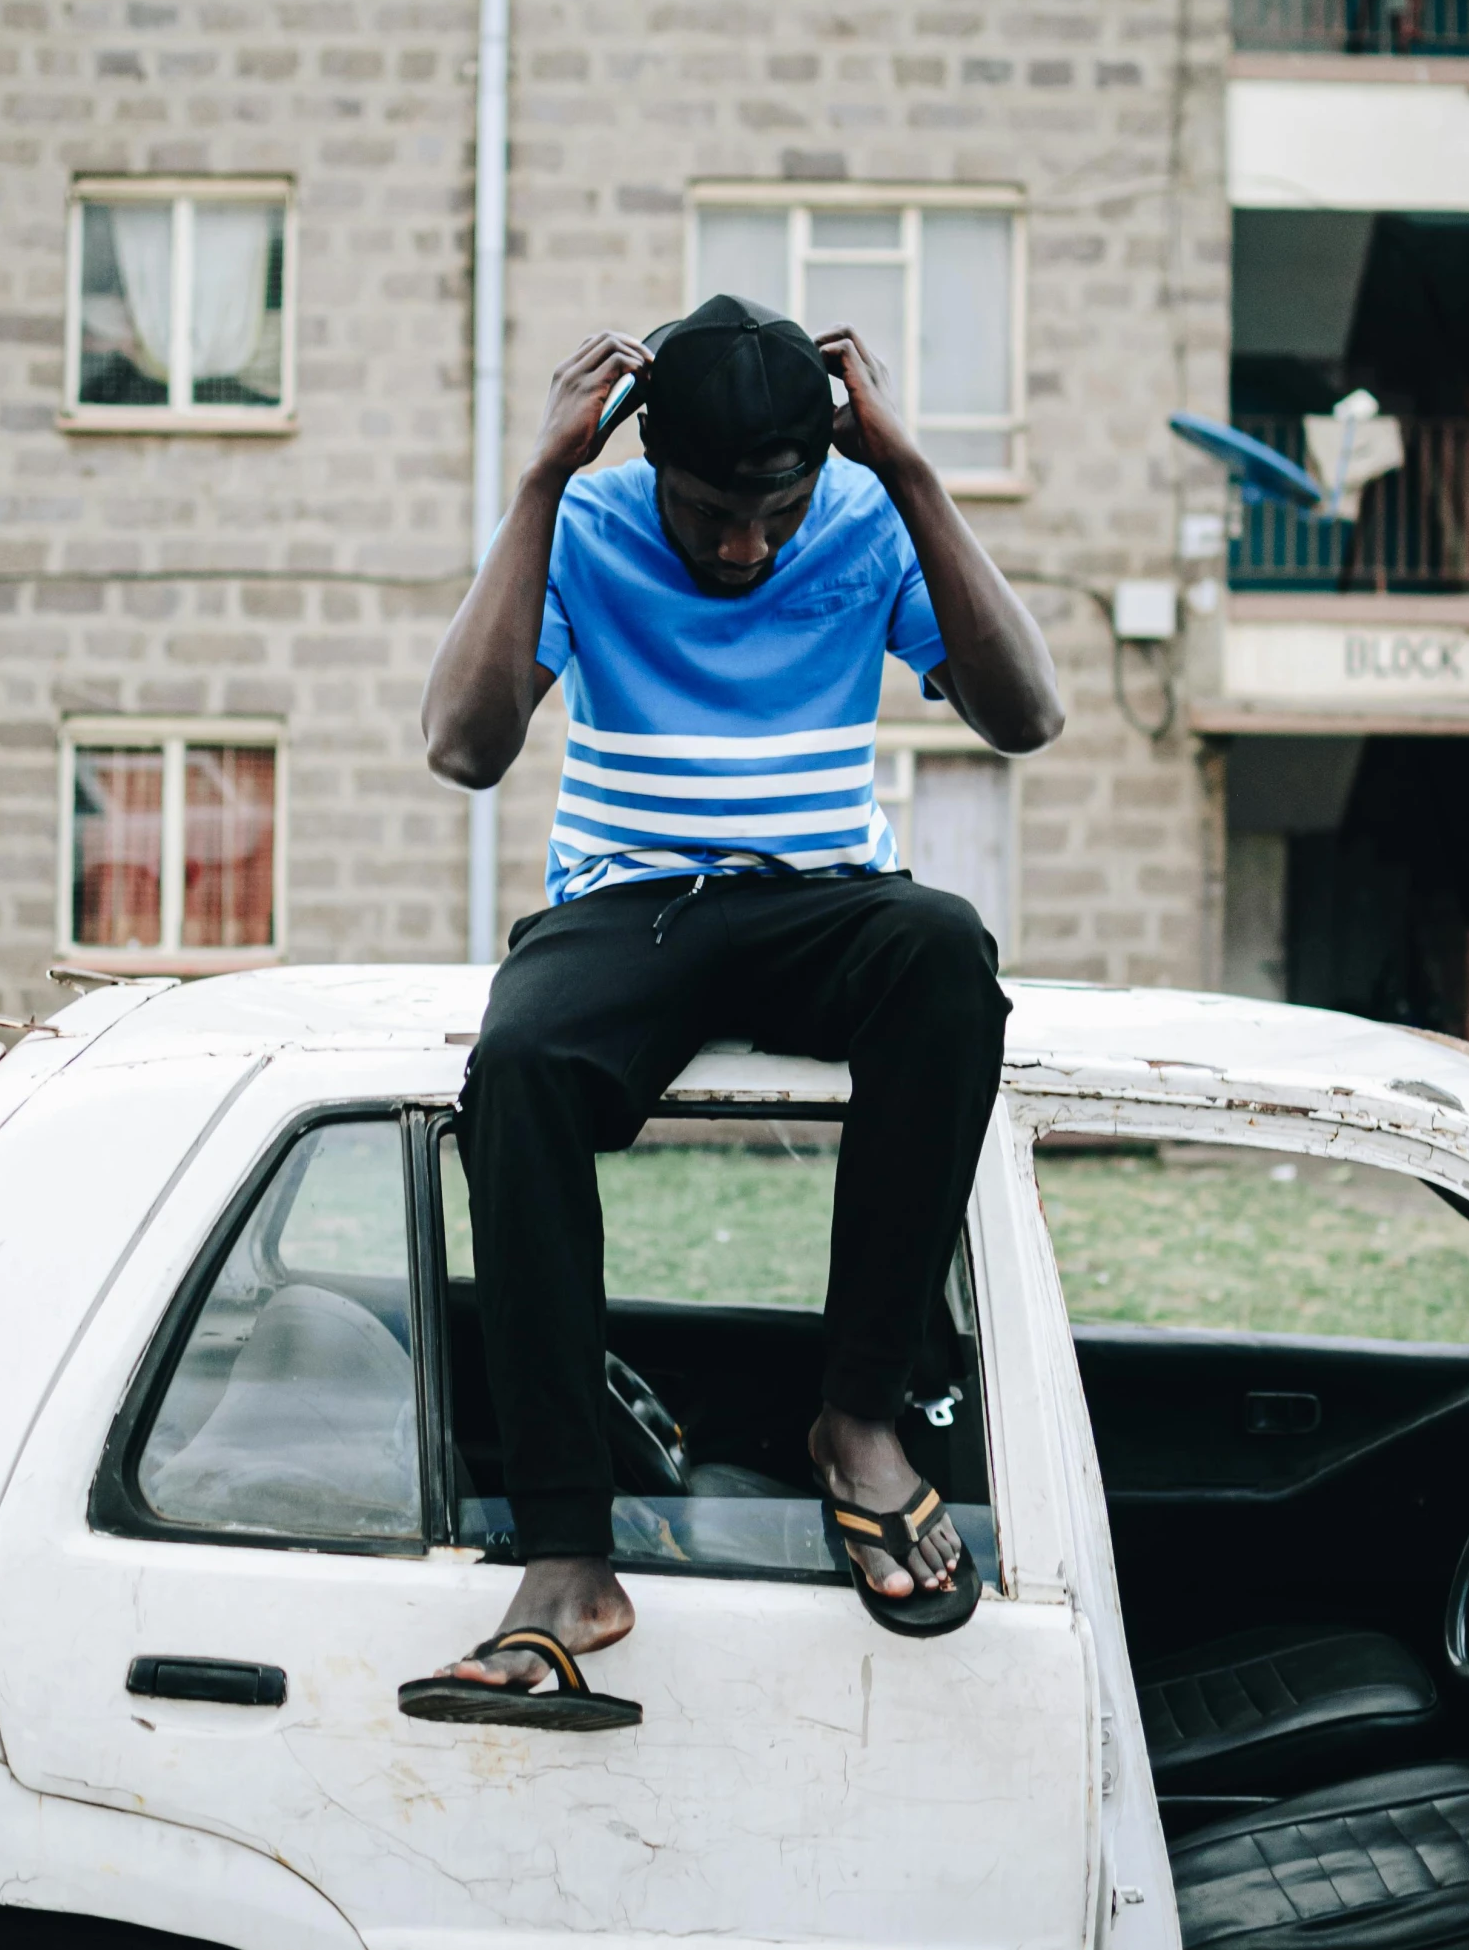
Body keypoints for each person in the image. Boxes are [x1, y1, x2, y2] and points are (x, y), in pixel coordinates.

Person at [414, 295, 1064, 1720]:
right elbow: (463, 748)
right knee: (515, 1065)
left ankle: (857, 1417)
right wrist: (535, 480)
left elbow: (1022, 717)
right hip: (626, 907)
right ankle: (568, 1553)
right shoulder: (582, 532)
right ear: (649, 465)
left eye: (778, 508)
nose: (745, 545)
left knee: (944, 951)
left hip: (820, 899)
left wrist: (910, 475)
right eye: (711, 510)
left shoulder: (865, 519)